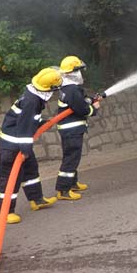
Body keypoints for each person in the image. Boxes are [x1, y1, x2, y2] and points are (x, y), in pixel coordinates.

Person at [0, 68, 62, 224]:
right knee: (10, 179)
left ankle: (37, 200)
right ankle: (5, 212)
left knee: (31, 170)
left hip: (19, 141)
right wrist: (25, 150)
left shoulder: (34, 95)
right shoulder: (32, 101)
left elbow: (27, 119)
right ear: (49, 89)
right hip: (13, 144)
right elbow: (24, 126)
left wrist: (41, 123)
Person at [55, 56, 100, 201]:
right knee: (71, 158)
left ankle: (72, 183)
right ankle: (63, 190)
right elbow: (82, 109)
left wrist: (91, 100)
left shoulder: (69, 88)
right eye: (80, 71)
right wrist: (93, 108)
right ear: (74, 73)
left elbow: (81, 100)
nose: (82, 74)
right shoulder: (72, 89)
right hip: (72, 131)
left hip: (69, 129)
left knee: (73, 156)